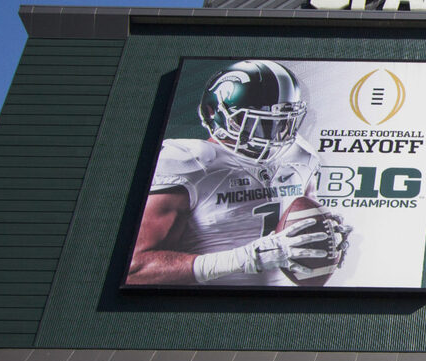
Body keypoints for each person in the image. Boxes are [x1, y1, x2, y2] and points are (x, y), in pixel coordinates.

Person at [126, 59, 349, 286]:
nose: (270, 134)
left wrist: (329, 239)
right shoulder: (191, 163)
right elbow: (135, 269)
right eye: (256, 121)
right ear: (213, 113)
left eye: (281, 121)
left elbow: (305, 224)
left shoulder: (300, 156)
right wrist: (243, 259)